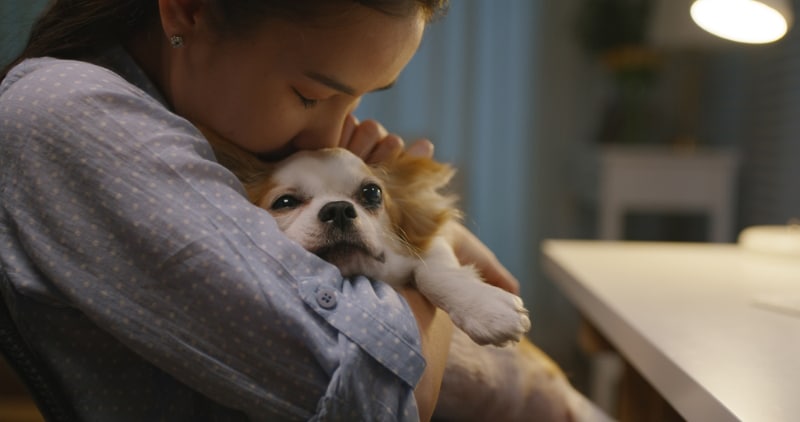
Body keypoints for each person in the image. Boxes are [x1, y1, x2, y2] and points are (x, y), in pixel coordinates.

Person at [0, 0, 520, 421]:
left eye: (358, 99)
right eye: (310, 94)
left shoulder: (178, 117)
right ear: (186, 10)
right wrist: (429, 240)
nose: (335, 136)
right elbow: (379, 393)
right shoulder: (69, 112)